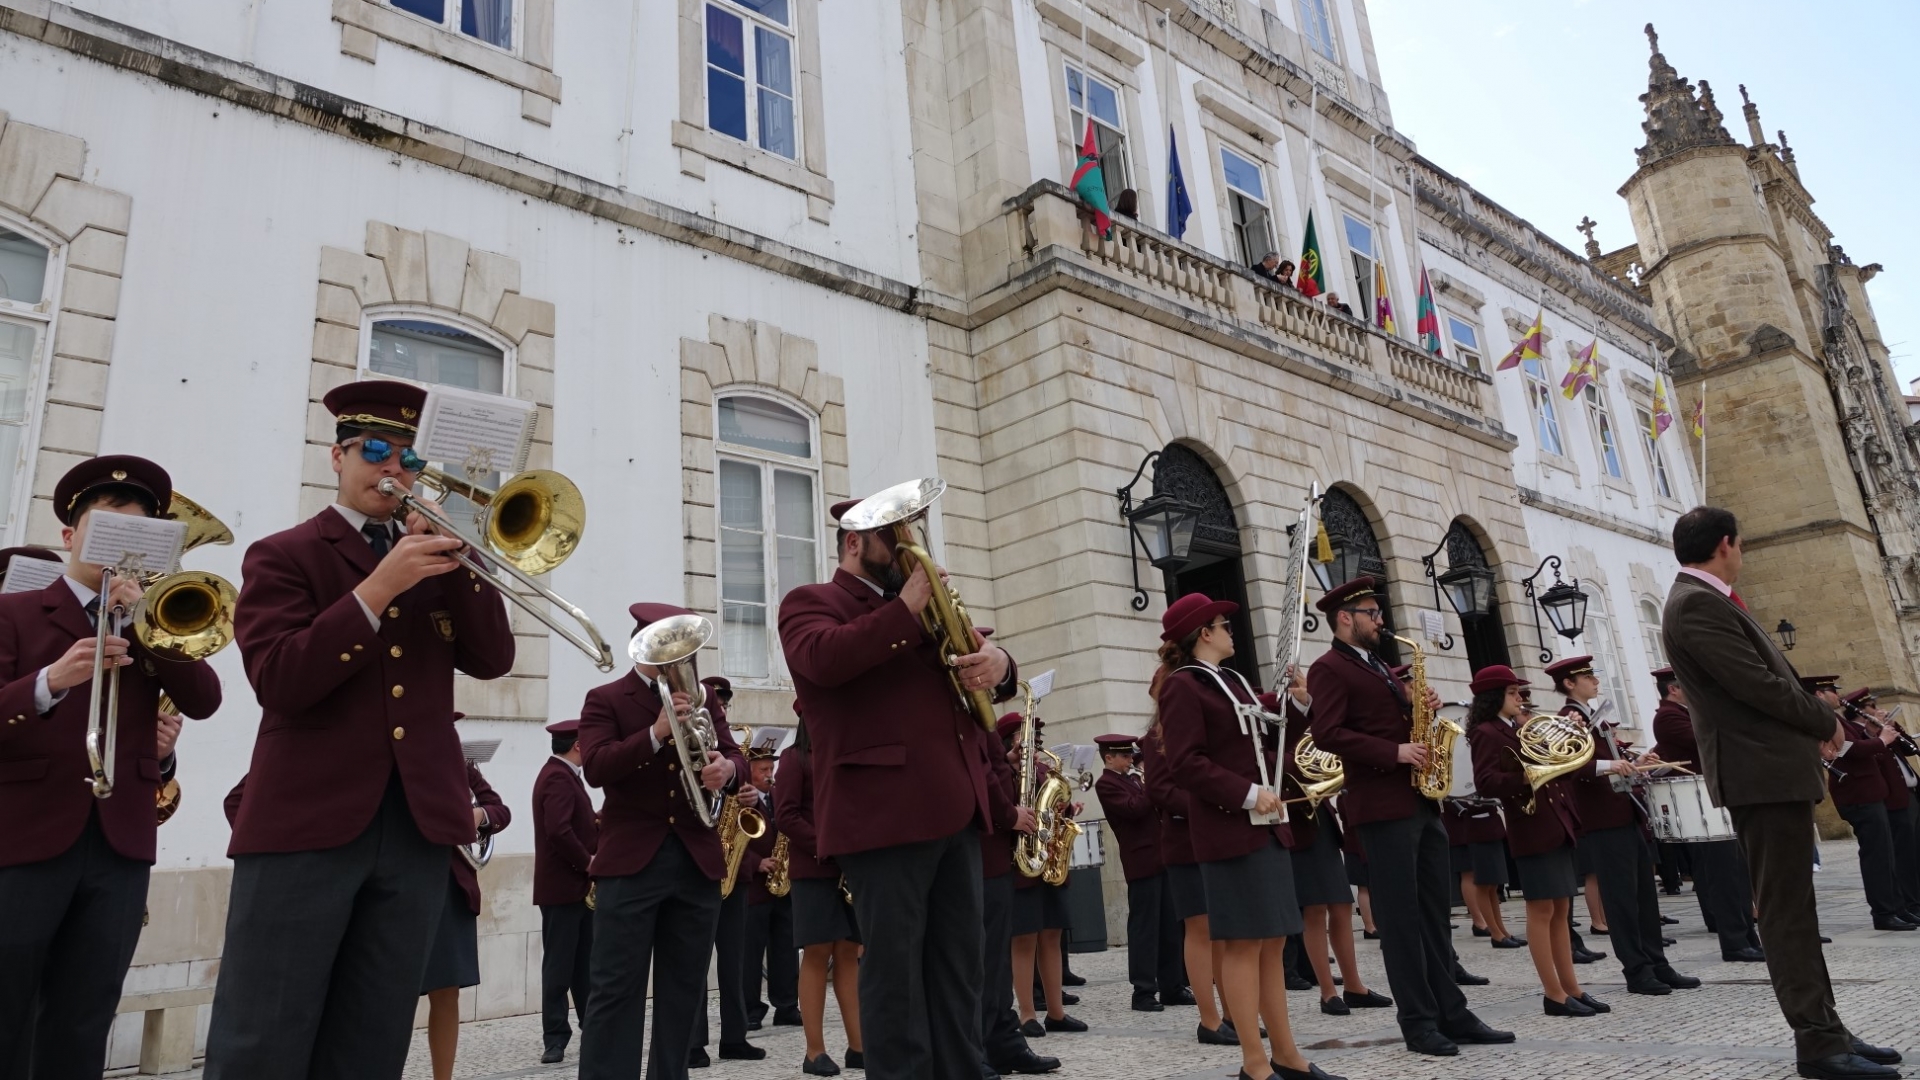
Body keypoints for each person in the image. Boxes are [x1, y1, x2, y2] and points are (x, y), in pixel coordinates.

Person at [205, 380, 515, 1080]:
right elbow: (280, 680)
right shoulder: (284, 554)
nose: (393, 469)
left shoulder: (439, 555)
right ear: (336, 457)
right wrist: (377, 589)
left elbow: (495, 659)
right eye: (376, 450)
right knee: (265, 1033)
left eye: (410, 457)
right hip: (305, 824)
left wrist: (465, 560)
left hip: (413, 827)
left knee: (372, 1036)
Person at [777, 493, 1019, 1080]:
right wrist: (906, 611)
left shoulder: (924, 610)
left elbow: (977, 669)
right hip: (881, 815)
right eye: (896, 534)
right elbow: (824, 660)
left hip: (956, 810)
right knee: (896, 981)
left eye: (913, 530)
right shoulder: (813, 602)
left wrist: (1000, 664)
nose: (912, 546)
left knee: (960, 972)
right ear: (855, 542)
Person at [1661, 505, 1903, 1080]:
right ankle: (1818, 1045)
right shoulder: (1695, 604)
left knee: (1795, 907)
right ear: (1726, 544)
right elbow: (1758, 685)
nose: (1742, 554)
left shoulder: (1708, 600)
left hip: (1769, 773)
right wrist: (1825, 721)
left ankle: (1829, 1028)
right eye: (1741, 545)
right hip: (1759, 776)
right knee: (1786, 912)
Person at [0, 457, 223, 1078]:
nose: (124, 545)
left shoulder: (151, 621)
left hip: (120, 839)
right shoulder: (15, 612)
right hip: (23, 838)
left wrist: (149, 621)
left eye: (141, 533)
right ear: (70, 537)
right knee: (7, 1006)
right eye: (107, 527)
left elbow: (204, 700)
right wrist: (49, 681)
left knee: (85, 1012)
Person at [1307, 577, 1512, 1057]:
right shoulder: (1328, 668)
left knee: (1434, 917)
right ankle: (1418, 1023)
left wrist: (1424, 706)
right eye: (1371, 613)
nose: (1380, 621)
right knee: (1401, 922)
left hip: (1420, 801)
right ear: (1344, 617)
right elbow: (1327, 732)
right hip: (1381, 807)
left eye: (1378, 614)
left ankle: (1452, 1012)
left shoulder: (1375, 663)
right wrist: (1393, 751)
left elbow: (1394, 717)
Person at [1156, 593, 1338, 1080]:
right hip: (1228, 830)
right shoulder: (1183, 687)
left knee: (1273, 942)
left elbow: (1272, 733)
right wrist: (1246, 793)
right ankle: (1254, 1063)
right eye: (1222, 624)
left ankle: (1287, 1054)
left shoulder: (1233, 681)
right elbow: (1185, 763)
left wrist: (1299, 702)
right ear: (1204, 634)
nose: (1231, 630)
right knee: (1241, 945)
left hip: (1268, 829)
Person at [576, 602, 746, 1080]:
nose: (682, 664)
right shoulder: (606, 698)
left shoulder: (706, 698)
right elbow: (597, 768)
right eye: (672, 651)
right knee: (615, 991)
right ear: (644, 646)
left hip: (696, 862)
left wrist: (727, 769)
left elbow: (735, 756)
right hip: (631, 864)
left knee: (684, 992)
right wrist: (654, 733)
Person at [1465, 665, 1602, 1017]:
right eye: (1512, 693)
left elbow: (1562, 767)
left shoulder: (1518, 727)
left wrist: (1572, 739)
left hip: (1555, 822)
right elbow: (1486, 782)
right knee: (1542, 912)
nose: (1519, 698)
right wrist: (1528, 776)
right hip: (1530, 827)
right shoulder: (1486, 732)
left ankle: (1572, 987)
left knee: (1561, 910)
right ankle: (1553, 993)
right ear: (1495, 697)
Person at [1262, 683, 1390, 1018]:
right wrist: (1298, 764)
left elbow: (1318, 732)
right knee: (1315, 912)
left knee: (1342, 907)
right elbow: (1277, 764)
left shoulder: (1296, 728)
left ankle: (1354, 985)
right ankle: (1329, 992)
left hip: (1322, 823)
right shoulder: (1264, 746)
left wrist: (1304, 697)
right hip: (1298, 827)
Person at [774, 712, 870, 1077]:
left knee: (849, 952)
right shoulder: (793, 759)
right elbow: (786, 815)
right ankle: (814, 1051)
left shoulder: (844, 756)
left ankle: (858, 1046)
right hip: (814, 869)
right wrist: (829, 845)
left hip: (850, 869)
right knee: (816, 953)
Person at [1651, 668, 1763, 961]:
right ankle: (1734, 942)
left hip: (1716, 802)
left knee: (1737, 873)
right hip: (1702, 807)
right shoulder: (1668, 716)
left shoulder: (1686, 713)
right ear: (1674, 689)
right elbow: (1707, 739)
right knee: (1723, 877)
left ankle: (1748, 936)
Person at [1143, 700, 1233, 1044]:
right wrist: (1209, 805)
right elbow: (1159, 789)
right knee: (1200, 929)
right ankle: (1209, 1020)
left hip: (1216, 840)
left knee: (1223, 931)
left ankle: (1232, 1013)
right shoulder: (1155, 737)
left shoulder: (1203, 727)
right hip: (1184, 842)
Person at [422, 745, 509, 1080]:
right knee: (388, 994)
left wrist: (477, 816)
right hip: (396, 881)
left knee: (446, 991)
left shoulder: (460, 765)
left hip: (448, 885)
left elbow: (499, 809)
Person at [973, 711, 1052, 1077]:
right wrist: (1010, 814)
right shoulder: (967, 710)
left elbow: (989, 764)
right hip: (981, 848)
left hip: (996, 853)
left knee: (997, 958)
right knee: (983, 959)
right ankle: (980, 1048)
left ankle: (1003, 1040)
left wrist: (1007, 761)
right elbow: (977, 771)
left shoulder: (977, 712)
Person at [1004, 715, 1085, 1038]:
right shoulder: (1003, 770)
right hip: (1020, 861)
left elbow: (1054, 803)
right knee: (1023, 939)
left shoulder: (1042, 770)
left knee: (1052, 936)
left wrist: (1067, 811)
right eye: (1024, 736)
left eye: (1036, 737)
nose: (1033, 742)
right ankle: (1026, 1013)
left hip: (1048, 859)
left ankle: (1056, 1012)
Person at [1093, 733, 1186, 1012]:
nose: (1130, 759)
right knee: (1145, 930)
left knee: (1170, 927)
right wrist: (1152, 786)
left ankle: (1173, 986)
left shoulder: (1133, 779)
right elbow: (1134, 809)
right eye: (1124, 756)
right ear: (1109, 757)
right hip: (1141, 861)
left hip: (1162, 855)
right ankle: (1143, 991)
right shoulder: (1106, 784)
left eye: (1130, 755)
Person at [1814, 680, 1909, 930]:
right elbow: (1846, 749)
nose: (1838, 695)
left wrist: (1876, 732)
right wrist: (1882, 741)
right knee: (1876, 856)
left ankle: (1898, 908)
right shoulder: (1822, 718)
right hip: (1858, 795)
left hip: (1869, 792)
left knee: (1886, 854)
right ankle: (1884, 912)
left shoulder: (1835, 718)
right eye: (1833, 691)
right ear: (1819, 694)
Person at [533, 718, 597, 1064]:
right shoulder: (558, 778)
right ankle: (555, 1037)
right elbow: (558, 831)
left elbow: (573, 824)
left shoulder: (564, 777)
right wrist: (588, 861)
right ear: (578, 746)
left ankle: (593, 1027)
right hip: (563, 888)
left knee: (583, 965)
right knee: (559, 966)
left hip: (576, 889)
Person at [741, 728, 800, 1033]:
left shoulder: (778, 794)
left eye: (771, 768)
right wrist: (756, 862)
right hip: (753, 886)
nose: (769, 774)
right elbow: (729, 840)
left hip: (782, 885)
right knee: (750, 953)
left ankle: (787, 1005)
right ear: (748, 771)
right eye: (763, 769)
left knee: (785, 948)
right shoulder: (738, 799)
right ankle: (750, 1009)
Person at [1851, 690, 1920, 923]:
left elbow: (1911, 749)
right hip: (1894, 800)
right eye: (1872, 706)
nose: (1877, 709)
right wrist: (1878, 736)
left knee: (1915, 851)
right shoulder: (1861, 735)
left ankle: (1914, 900)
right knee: (1904, 855)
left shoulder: (1885, 730)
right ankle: (1911, 903)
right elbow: (1871, 761)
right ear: (1861, 711)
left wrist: (1894, 727)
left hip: (1911, 795)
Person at [1443, 798, 1519, 949]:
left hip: (1485, 822)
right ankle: (1480, 921)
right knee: (1472, 874)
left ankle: (1499, 928)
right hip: (1462, 821)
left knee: (1492, 881)